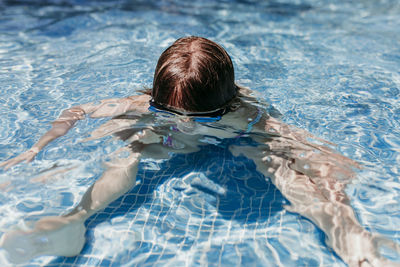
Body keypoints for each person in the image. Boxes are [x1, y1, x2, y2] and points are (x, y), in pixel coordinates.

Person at [0, 36, 399, 267]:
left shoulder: (246, 116)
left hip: (236, 141)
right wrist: (38, 148)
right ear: (154, 98)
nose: (183, 122)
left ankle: (351, 237)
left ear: (224, 104)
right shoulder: (145, 107)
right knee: (127, 147)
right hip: (160, 141)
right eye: (166, 110)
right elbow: (78, 111)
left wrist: (332, 172)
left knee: (284, 167)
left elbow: (301, 145)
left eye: (200, 116)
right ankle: (74, 221)